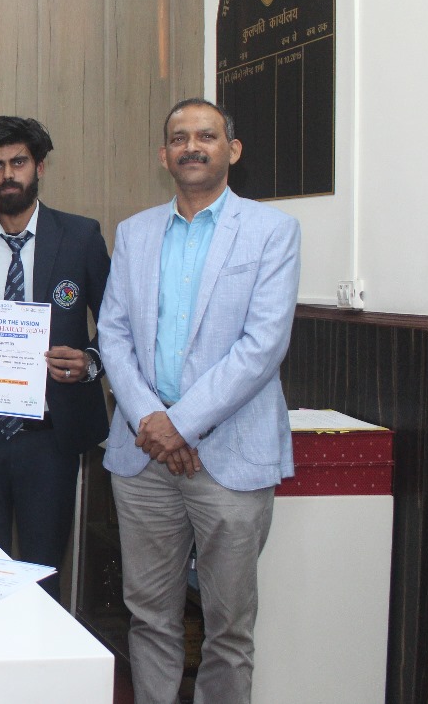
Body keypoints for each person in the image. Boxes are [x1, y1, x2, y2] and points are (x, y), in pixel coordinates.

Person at [99, 98, 300, 703]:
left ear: (231, 150)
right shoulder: (134, 233)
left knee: (228, 628)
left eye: (206, 136)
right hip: (144, 458)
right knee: (149, 616)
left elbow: (263, 346)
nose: (192, 146)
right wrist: (153, 420)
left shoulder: (272, 231)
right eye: (179, 138)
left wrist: (180, 425)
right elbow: (113, 333)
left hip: (231, 457)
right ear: (164, 156)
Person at [0, 116, 109, 602]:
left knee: (42, 573)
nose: (8, 174)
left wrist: (90, 361)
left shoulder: (80, 237)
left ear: (39, 167)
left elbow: (118, 324)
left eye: (18, 162)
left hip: (51, 435)